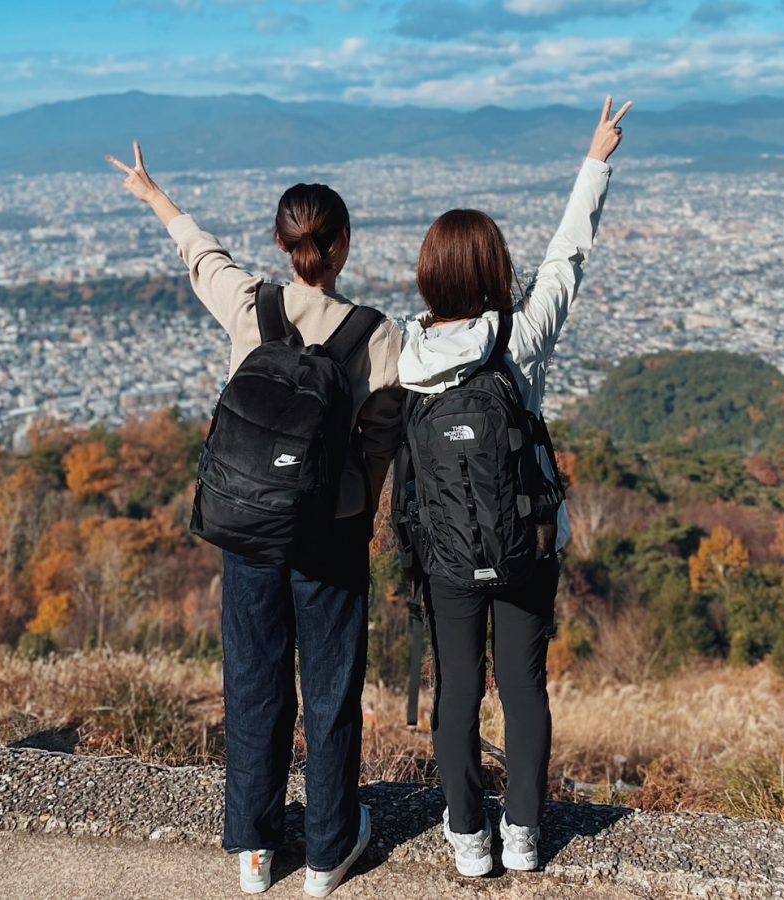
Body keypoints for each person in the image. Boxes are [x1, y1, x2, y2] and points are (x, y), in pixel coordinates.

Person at [107, 143, 403, 896]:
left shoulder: (253, 306)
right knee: (330, 689)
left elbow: (201, 255)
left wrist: (153, 194)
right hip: (330, 537)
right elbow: (380, 441)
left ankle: (254, 849)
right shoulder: (375, 335)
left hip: (250, 532)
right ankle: (331, 851)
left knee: (253, 680)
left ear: (281, 244)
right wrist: (359, 509)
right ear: (343, 244)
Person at [396, 96, 631, 877]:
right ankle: (525, 832)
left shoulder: (407, 357)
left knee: (457, 689)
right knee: (524, 688)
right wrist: (596, 160)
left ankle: (468, 838)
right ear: (496, 270)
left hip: (448, 552)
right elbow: (568, 258)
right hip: (524, 543)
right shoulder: (518, 341)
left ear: (429, 275)